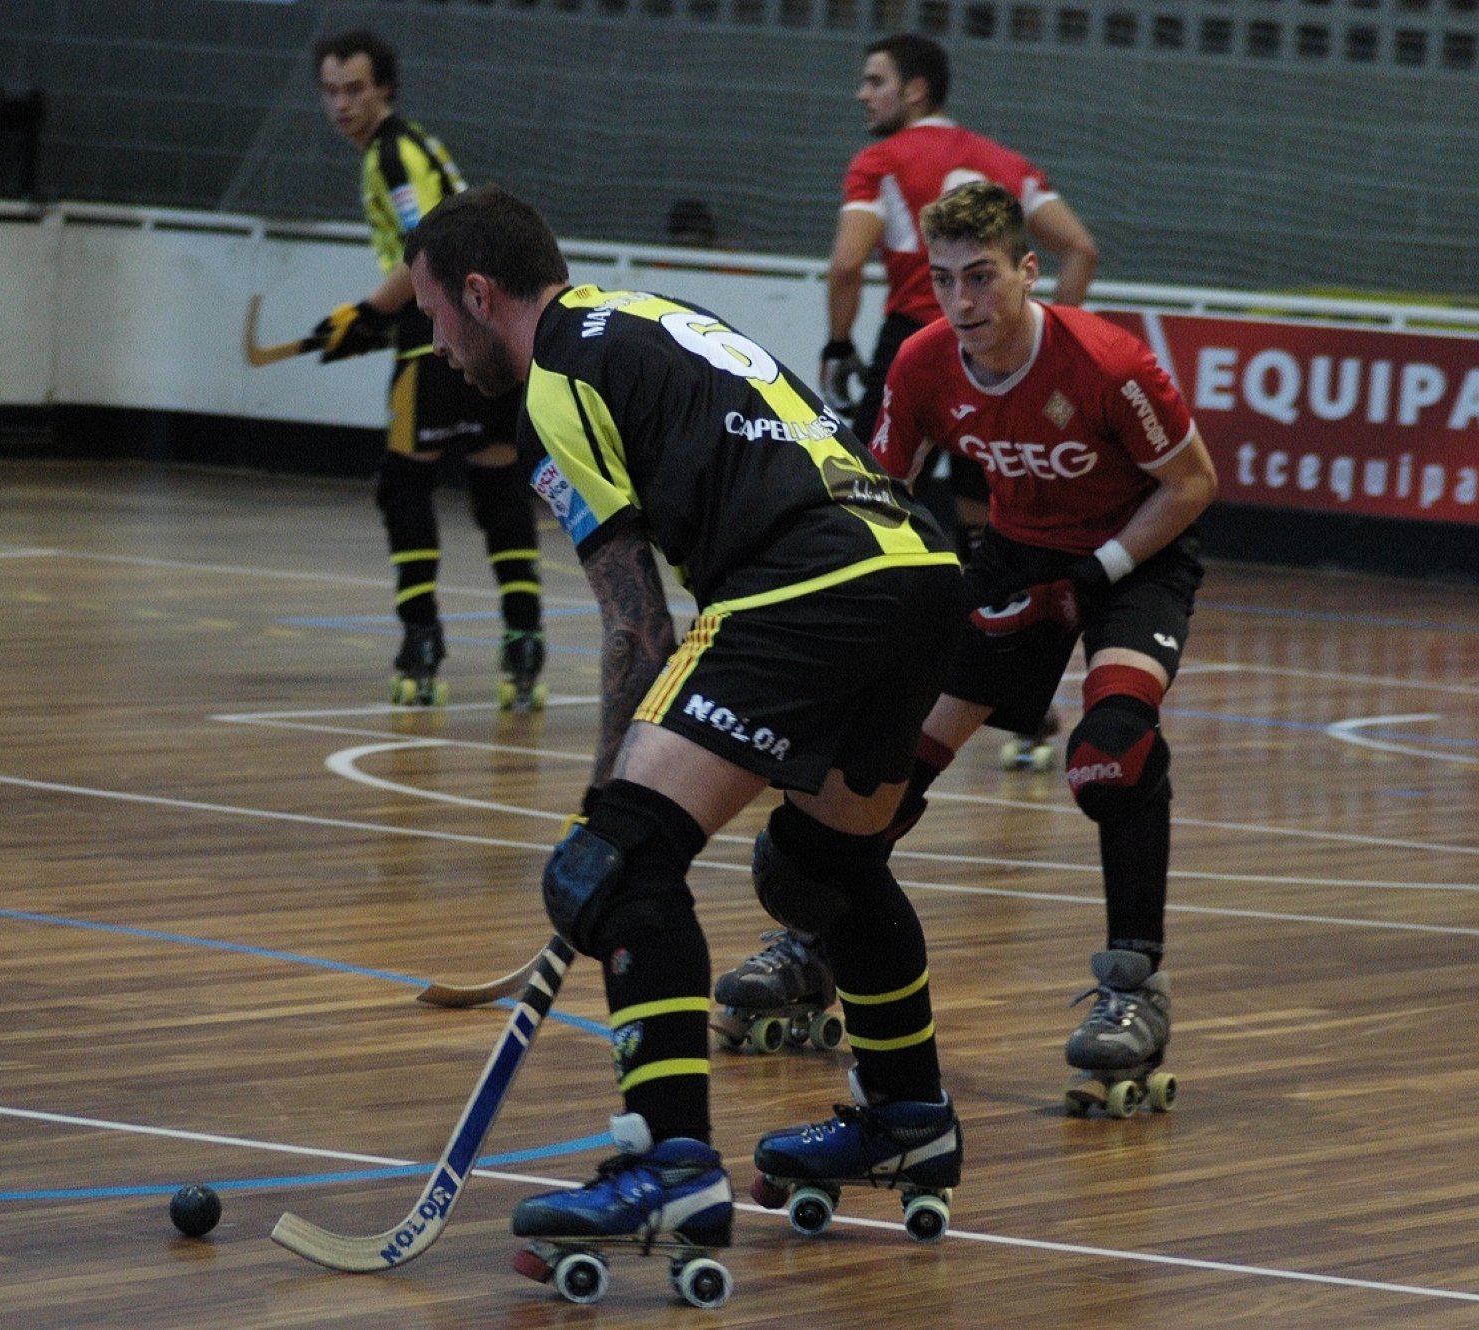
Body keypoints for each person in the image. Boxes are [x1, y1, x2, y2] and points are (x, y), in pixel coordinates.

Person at [402, 185, 971, 1287]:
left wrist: (604, 816)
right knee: (820, 866)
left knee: (616, 863)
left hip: (808, 581)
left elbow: (637, 622)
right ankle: (907, 1114)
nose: (435, 343)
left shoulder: (553, 389)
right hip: (918, 571)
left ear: (479, 293)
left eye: (435, 315)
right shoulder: (638, 315)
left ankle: (670, 1164)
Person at [876, 180, 1215, 1114]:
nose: (961, 303)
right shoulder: (922, 364)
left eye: (981, 277)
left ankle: (1133, 986)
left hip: (1134, 558)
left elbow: (1191, 484)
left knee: (1111, 753)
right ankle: (824, 935)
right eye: (942, 281)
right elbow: (879, 494)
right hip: (1016, 556)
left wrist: (1093, 578)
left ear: (1030, 272)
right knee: (887, 756)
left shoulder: (1108, 363)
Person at [309, 29, 545, 709]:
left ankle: (421, 641)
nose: (342, 105)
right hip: (491, 338)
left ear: (384, 88)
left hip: (437, 341)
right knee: (497, 487)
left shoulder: (390, 155)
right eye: (331, 92)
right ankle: (524, 642)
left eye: (355, 89)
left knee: (403, 485)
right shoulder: (407, 145)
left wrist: (365, 313)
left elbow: (425, 250)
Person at [821, 32, 1099, 553]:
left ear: (915, 91)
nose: (863, 94)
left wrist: (837, 344)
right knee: (985, 495)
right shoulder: (1007, 163)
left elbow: (846, 263)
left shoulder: (880, 161)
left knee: (874, 490)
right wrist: (1048, 341)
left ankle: (879, 599)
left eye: (875, 81)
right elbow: (1082, 249)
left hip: (918, 340)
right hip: (998, 347)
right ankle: (982, 609)